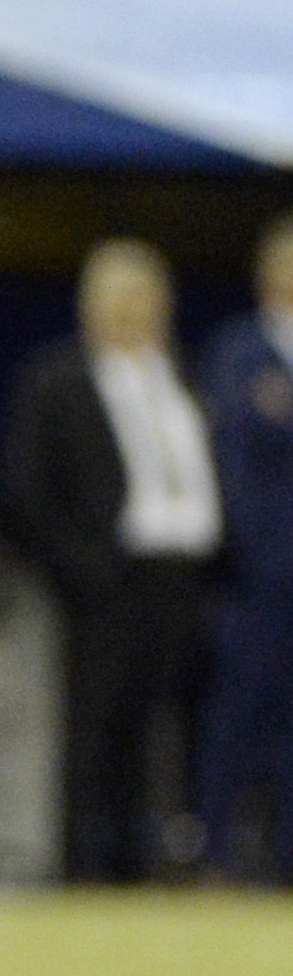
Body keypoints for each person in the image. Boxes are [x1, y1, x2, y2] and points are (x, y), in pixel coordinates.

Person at [4, 239, 220, 882]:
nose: (135, 313)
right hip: (105, 581)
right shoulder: (59, 381)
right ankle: (80, 865)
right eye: (121, 300)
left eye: (147, 299)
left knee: (166, 729)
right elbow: (28, 490)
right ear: (91, 309)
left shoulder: (184, 377)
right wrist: (81, 567)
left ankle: (146, 860)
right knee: (95, 727)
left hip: (183, 577)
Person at [197, 211, 293, 880]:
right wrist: (256, 556)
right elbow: (232, 464)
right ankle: (217, 854)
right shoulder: (239, 350)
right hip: (263, 575)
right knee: (240, 710)